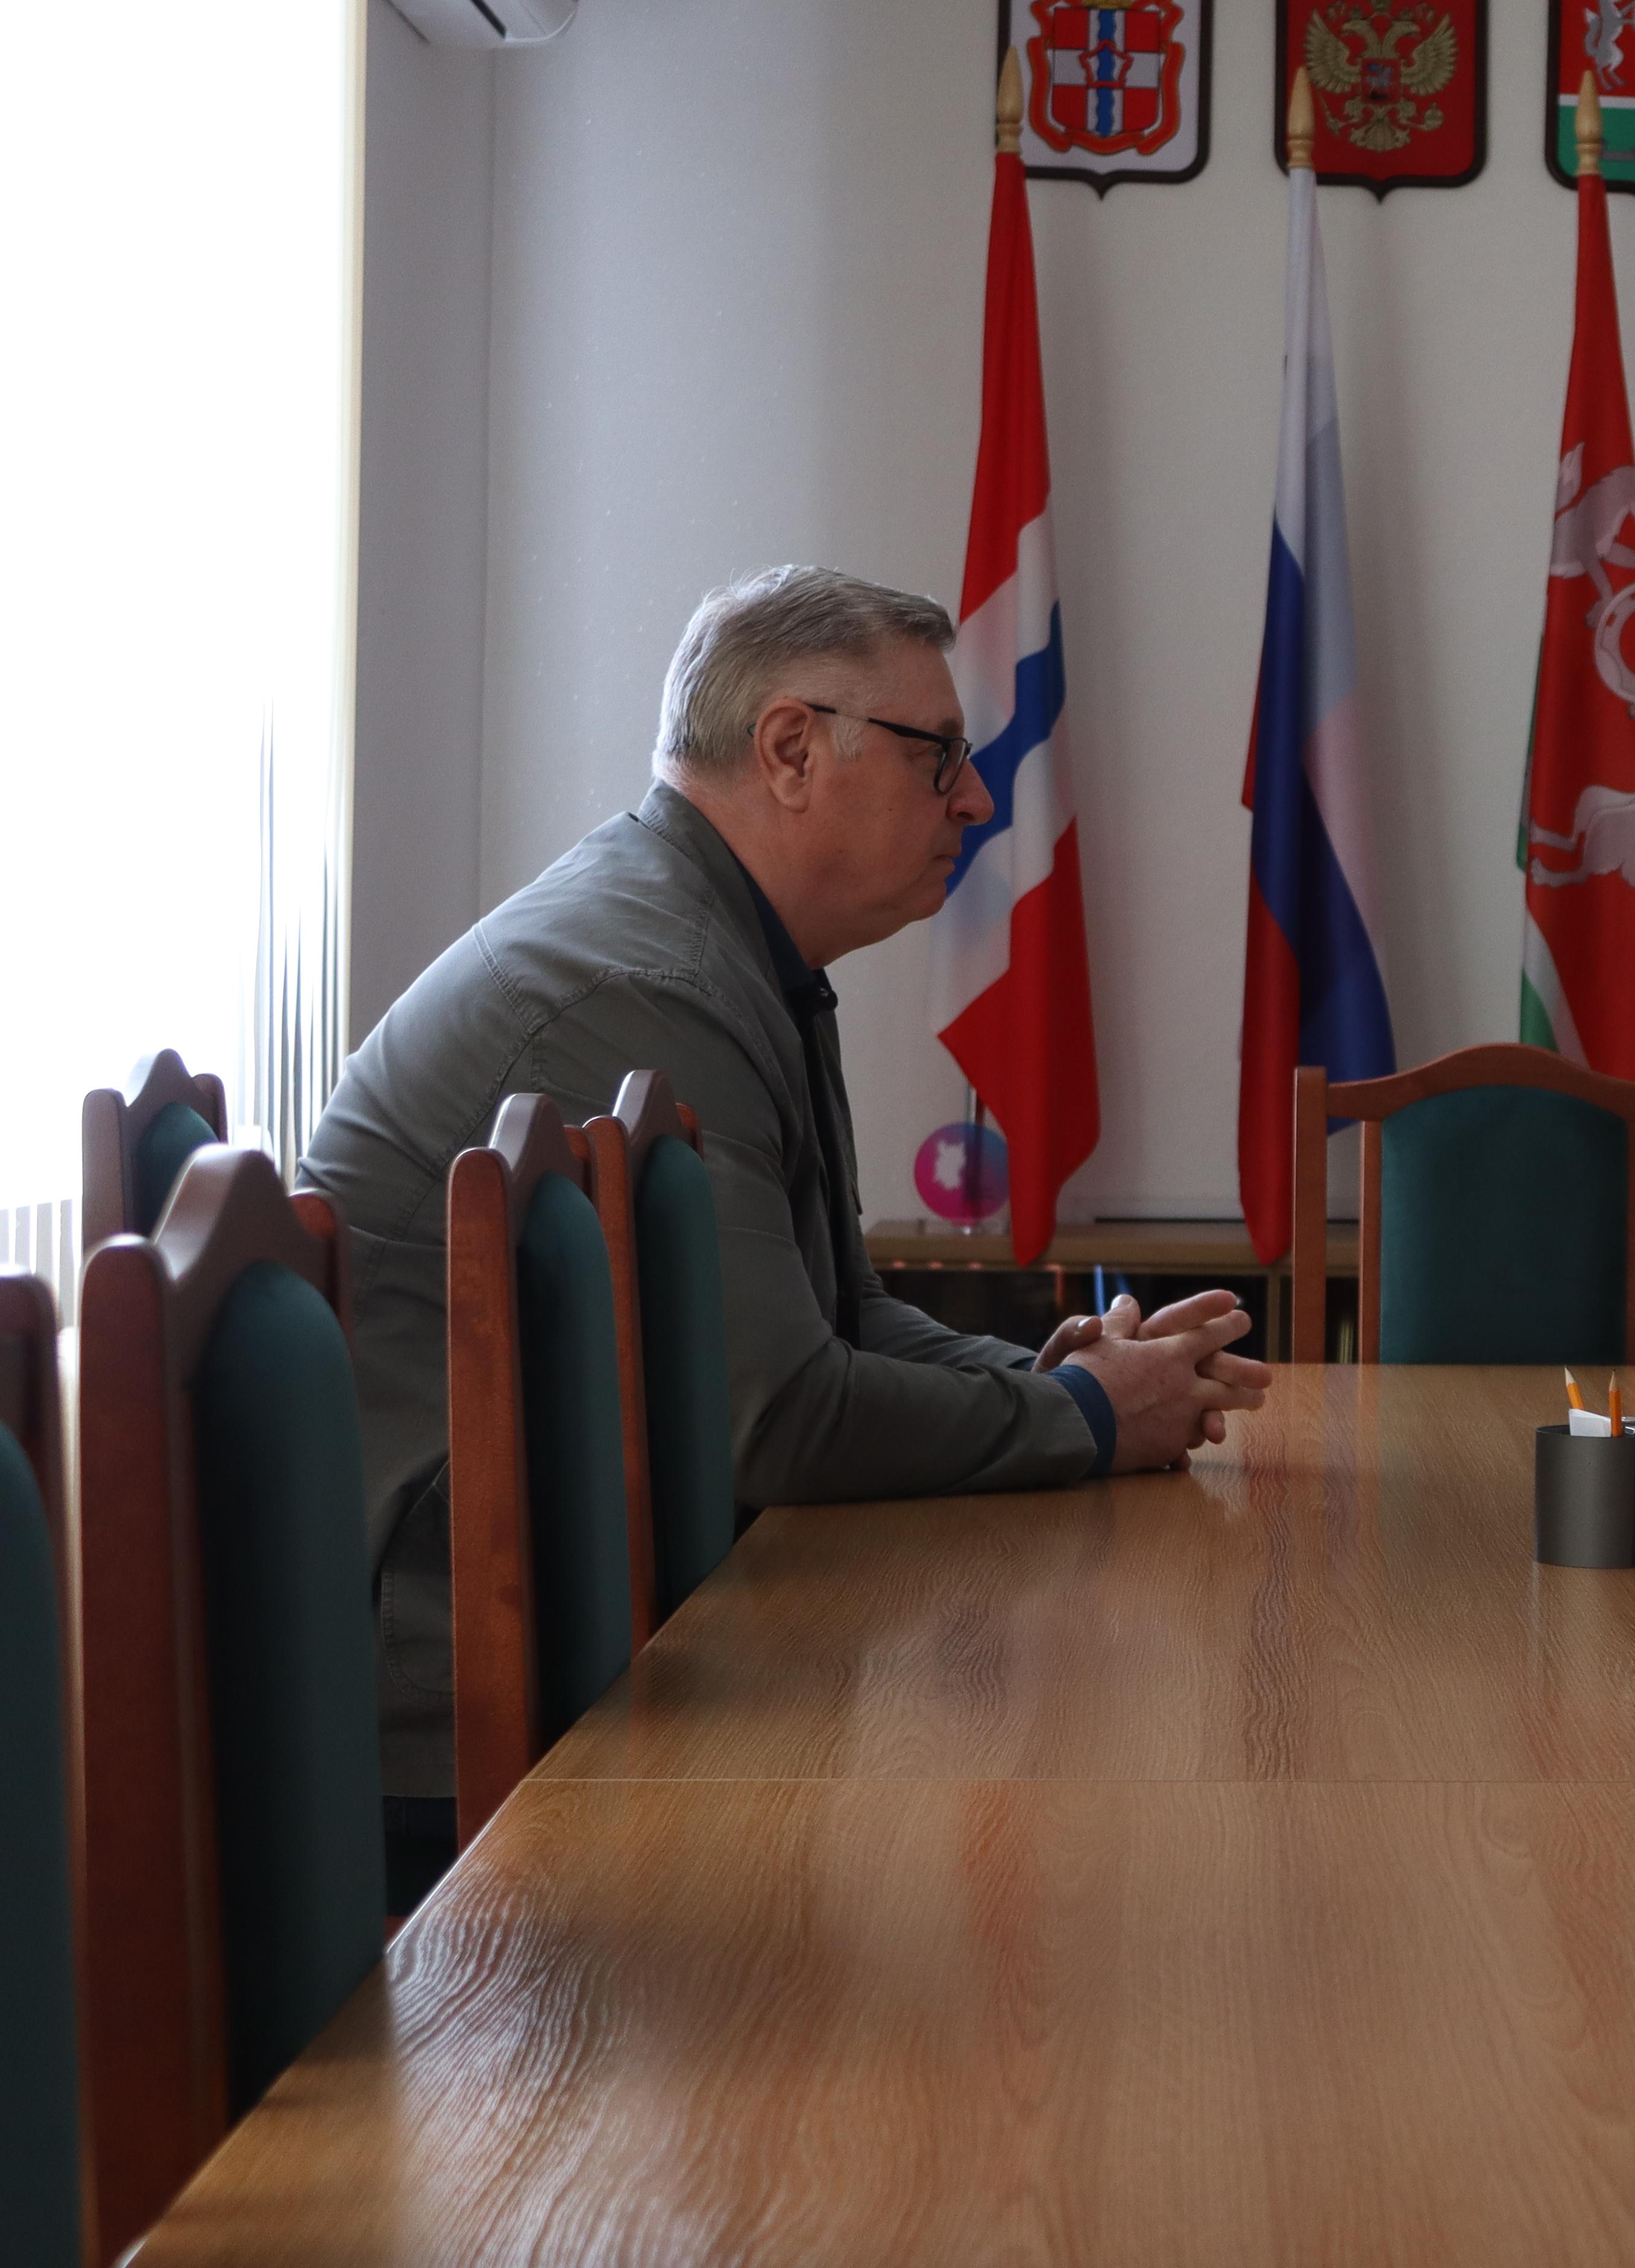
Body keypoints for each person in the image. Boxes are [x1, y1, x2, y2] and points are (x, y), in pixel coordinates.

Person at [303, 565, 1268, 1907]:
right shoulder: (651, 984)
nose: (980, 799)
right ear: (793, 748)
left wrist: (1047, 1378)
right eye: (942, 757)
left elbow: (839, 1311)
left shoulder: (716, 942)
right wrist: (1091, 1421)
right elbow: (780, 1415)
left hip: (538, 1624)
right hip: (448, 1701)